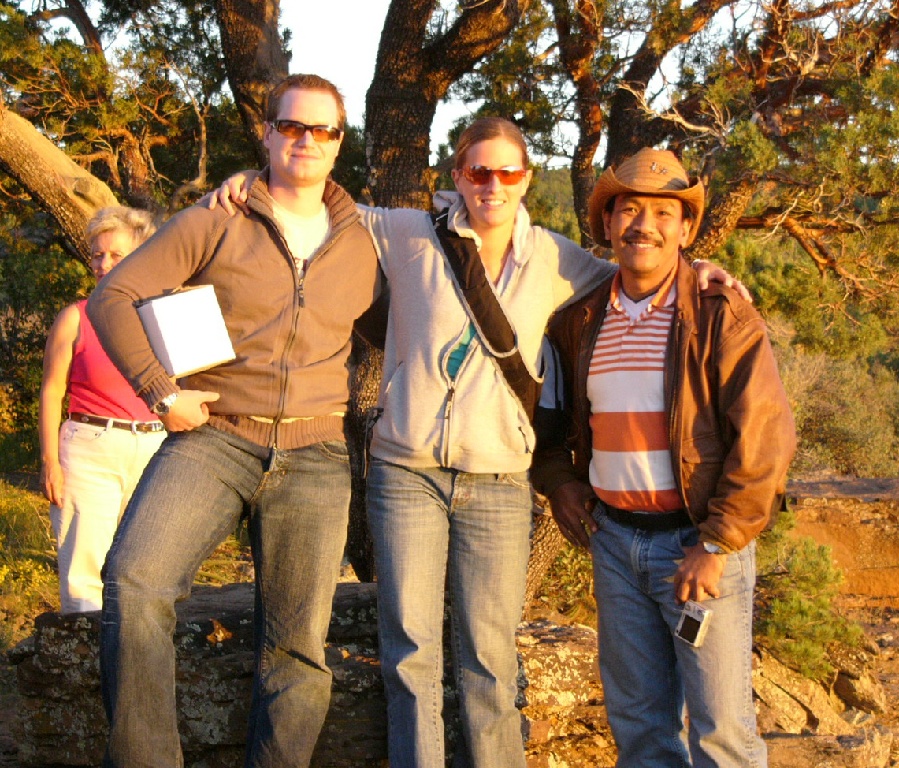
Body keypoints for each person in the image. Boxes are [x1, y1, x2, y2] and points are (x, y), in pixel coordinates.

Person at [211, 119, 749, 768]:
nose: (493, 185)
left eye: (508, 172)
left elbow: (640, 270)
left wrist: (699, 272)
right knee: (410, 650)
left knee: (489, 656)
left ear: (526, 180)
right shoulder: (409, 233)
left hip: (498, 481)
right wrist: (255, 181)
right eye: (478, 171)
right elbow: (320, 206)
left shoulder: (555, 258)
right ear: (457, 176)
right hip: (406, 473)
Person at [86, 74, 382, 768]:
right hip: (215, 437)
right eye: (292, 127)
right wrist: (161, 393)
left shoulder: (368, 238)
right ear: (268, 133)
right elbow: (113, 295)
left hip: (316, 452)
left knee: (297, 648)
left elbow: (412, 321)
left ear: (340, 143)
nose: (306, 140)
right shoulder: (217, 217)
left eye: (322, 130)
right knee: (134, 580)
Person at [531, 147, 797, 767]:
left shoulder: (718, 312)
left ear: (685, 229)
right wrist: (561, 483)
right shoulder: (579, 320)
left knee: (721, 733)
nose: (643, 226)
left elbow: (765, 437)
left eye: (662, 213)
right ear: (606, 223)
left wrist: (718, 543)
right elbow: (551, 422)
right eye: (629, 210)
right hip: (615, 545)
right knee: (640, 729)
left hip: (696, 546)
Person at [38, 206, 165, 614]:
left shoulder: (161, 316)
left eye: (115, 254)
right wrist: (50, 462)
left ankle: (134, 653)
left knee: (149, 568)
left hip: (156, 449)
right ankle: (83, 653)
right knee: (84, 572)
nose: (103, 263)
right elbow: (52, 390)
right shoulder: (74, 318)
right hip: (89, 449)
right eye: (97, 255)